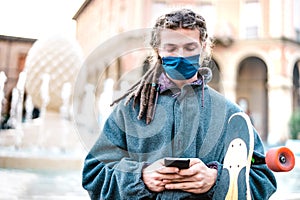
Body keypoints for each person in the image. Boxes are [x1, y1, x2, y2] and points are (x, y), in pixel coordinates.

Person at [82, 8, 277, 199]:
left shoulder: (231, 115)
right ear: (158, 50)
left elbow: (263, 179)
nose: (181, 55)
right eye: (171, 48)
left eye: (190, 47)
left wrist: (216, 180)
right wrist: (140, 178)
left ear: (203, 47)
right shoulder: (130, 110)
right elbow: (93, 174)